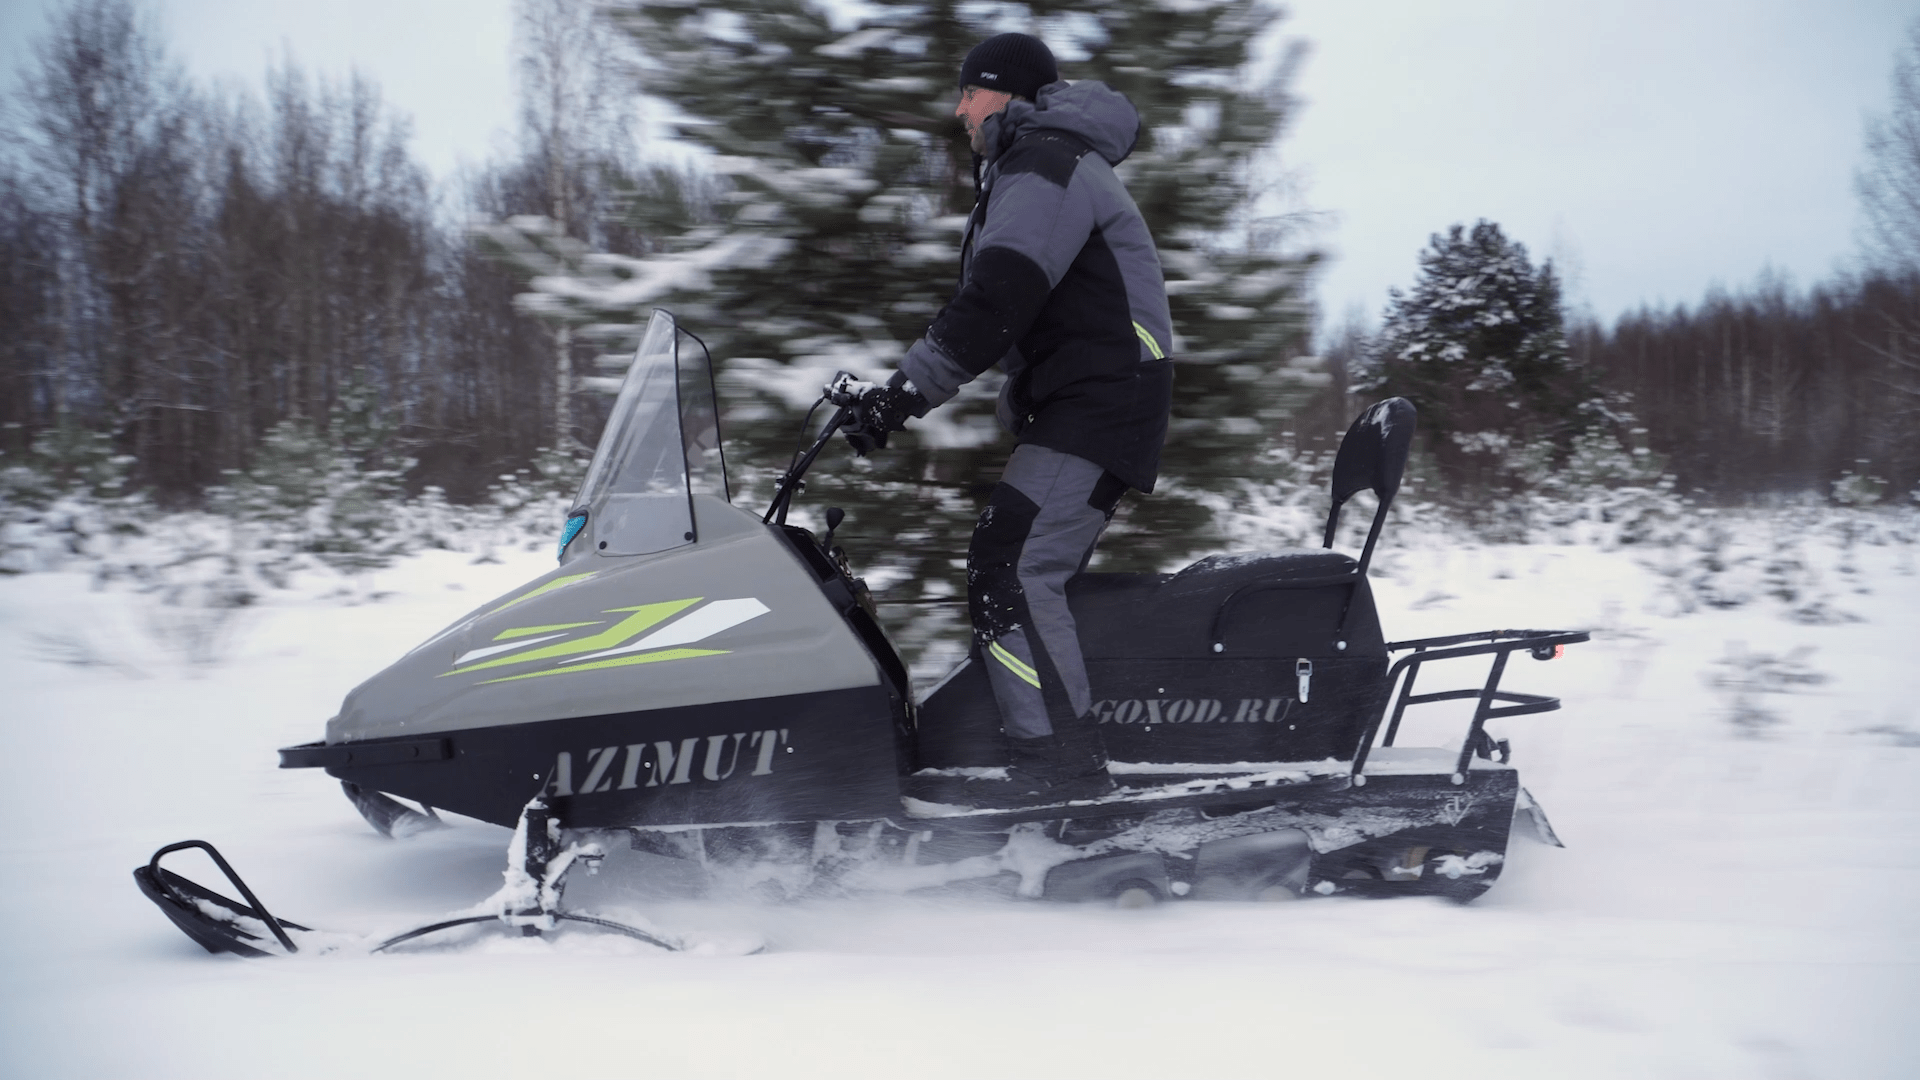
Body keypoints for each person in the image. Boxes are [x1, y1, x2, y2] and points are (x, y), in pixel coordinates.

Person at [850, 32, 1173, 806]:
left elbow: (999, 299)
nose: (959, 108)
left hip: (1102, 400)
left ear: (1007, 93)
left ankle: (1064, 771)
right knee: (1010, 563)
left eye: (970, 91)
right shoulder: (1040, 163)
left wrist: (902, 395)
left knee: (1016, 569)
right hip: (1092, 399)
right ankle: (1046, 750)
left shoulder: (1046, 164)